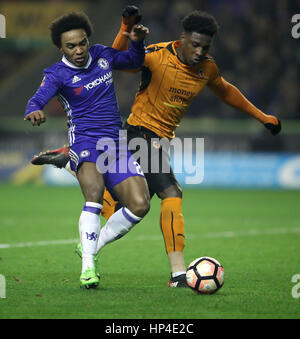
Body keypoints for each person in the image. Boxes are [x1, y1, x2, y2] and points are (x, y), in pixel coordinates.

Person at [31, 7, 281, 288]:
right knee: (171, 192)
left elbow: (224, 89)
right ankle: (177, 274)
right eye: (195, 45)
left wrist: (262, 116)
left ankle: (71, 165)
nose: (199, 52)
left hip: (156, 139)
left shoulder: (207, 67)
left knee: (128, 206)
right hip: (138, 133)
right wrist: (126, 29)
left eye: (205, 47)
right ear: (182, 39)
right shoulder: (158, 54)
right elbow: (114, 61)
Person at [24, 11, 151, 289]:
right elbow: (37, 98)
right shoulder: (57, 74)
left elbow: (133, 60)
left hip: (115, 144)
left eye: (82, 43)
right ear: (61, 48)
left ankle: (91, 246)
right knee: (93, 195)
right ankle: (88, 268)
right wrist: (34, 109)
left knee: (140, 205)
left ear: (87, 40)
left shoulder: (103, 55)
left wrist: (137, 42)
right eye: (71, 46)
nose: (79, 50)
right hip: (84, 141)